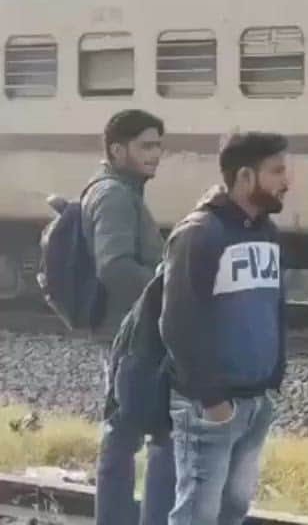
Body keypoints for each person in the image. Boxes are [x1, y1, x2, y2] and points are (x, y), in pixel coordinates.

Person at [161, 131, 290, 525]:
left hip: (254, 400)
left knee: (233, 509)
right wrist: (213, 401)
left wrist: (272, 379)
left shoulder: (268, 233)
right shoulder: (201, 233)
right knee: (197, 514)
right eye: (278, 171)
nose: (288, 181)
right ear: (246, 177)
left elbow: (274, 308)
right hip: (210, 406)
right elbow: (178, 323)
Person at [84, 109, 175, 525]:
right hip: (129, 333)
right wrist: (166, 294)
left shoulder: (123, 190)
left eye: (158, 145)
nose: (155, 154)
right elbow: (114, 265)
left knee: (130, 428)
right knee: (126, 430)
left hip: (129, 329)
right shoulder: (115, 195)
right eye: (146, 146)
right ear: (117, 150)